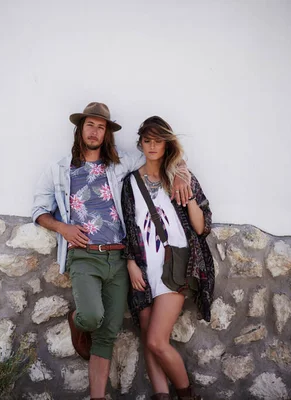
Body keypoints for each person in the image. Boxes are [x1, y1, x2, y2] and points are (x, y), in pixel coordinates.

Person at [32, 103, 192, 399]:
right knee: (92, 318)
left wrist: (181, 170)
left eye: (101, 127)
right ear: (80, 129)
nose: (94, 131)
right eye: (90, 125)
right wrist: (62, 228)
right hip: (84, 256)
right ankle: (75, 319)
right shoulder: (59, 169)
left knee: (108, 332)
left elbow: (156, 156)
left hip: (118, 258)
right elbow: (39, 211)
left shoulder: (119, 164)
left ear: (106, 134)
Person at [121, 116, 215, 400]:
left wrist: (187, 194)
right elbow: (126, 226)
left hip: (175, 266)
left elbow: (200, 227)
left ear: (166, 144)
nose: (152, 146)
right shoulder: (131, 183)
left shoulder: (180, 177)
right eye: (147, 140)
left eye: (157, 140)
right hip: (143, 269)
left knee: (157, 340)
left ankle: (187, 396)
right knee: (149, 341)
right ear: (140, 143)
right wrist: (130, 264)